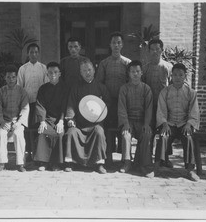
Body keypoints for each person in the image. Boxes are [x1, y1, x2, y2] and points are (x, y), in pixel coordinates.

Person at [154, 63, 200, 182]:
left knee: (188, 137)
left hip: (184, 124)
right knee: (163, 137)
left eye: (180, 75)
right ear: (171, 76)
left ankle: (190, 169)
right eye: (175, 75)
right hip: (169, 123)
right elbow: (161, 110)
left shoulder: (191, 92)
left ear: (185, 76)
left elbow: (194, 111)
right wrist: (164, 123)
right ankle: (157, 166)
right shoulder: (165, 91)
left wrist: (189, 124)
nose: (177, 77)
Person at [64, 58, 110, 174]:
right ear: (80, 72)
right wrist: (71, 119)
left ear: (94, 70)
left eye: (89, 70)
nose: (87, 73)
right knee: (71, 132)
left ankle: (99, 163)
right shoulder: (76, 87)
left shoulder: (101, 87)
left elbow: (107, 106)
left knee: (99, 132)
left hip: (95, 123)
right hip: (79, 123)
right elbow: (71, 105)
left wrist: (100, 117)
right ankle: (71, 162)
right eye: (84, 71)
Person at [96, 31, 131, 159]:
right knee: (108, 127)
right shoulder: (104, 63)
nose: (116, 45)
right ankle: (108, 156)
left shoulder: (127, 63)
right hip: (108, 101)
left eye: (119, 43)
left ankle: (124, 157)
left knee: (123, 127)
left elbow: (130, 82)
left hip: (124, 102)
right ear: (110, 45)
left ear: (122, 45)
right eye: (114, 43)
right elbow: (99, 83)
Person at [118, 60, 154, 177]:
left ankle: (144, 165)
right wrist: (125, 123)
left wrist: (147, 124)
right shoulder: (124, 88)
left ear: (141, 73)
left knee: (147, 134)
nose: (135, 74)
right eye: (132, 72)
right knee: (126, 135)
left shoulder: (146, 88)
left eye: (137, 71)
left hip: (142, 121)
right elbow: (122, 107)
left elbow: (149, 108)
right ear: (128, 73)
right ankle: (127, 162)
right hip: (129, 120)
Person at [0, 64, 29, 173]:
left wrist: (19, 122)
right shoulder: (1, 92)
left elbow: (25, 108)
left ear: (16, 77)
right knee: (1, 134)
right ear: (5, 78)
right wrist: (2, 122)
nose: (11, 79)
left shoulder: (22, 91)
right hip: (4, 121)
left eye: (13, 77)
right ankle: (1, 163)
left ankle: (21, 164)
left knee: (18, 134)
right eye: (8, 77)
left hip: (17, 121)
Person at [142, 39, 173, 166]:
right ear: (148, 51)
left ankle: (164, 158)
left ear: (162, 50)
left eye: (157, 49)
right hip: (149, 105)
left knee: (164, 132)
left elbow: (172, 85)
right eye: (152, 49)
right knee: (150, 131)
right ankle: (148, 157)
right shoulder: (145, 68)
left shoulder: (168, 67)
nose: (155, 51)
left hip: (164, 106)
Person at [17, 43, 49, 161]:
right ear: (27, 53)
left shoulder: (43, 68)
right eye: (31, 52)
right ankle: (28, 152)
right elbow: (19, 86)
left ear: (39, 53)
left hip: (40, 104)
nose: (34, 54)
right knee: (27, 128)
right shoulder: (23, 68)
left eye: (36, 52)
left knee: (38, 127)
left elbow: (46, 86)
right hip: (27, 103)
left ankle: (38, 154)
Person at [33, 62, 67, 171]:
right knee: (42, 132)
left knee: (60, 133)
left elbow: (65, 106)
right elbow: (40, 105)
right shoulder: (43, 89)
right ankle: (44, 162)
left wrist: (61, 121)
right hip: (47, 119)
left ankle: (56, 163)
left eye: (56, 72)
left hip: (60, 119)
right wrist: (42, 121)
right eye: (50, 72)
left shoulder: (65, 88)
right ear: (47, 74)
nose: (53, 74)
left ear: (60, 74)